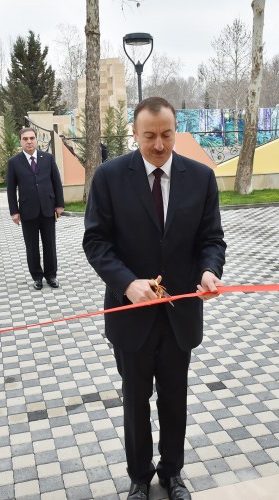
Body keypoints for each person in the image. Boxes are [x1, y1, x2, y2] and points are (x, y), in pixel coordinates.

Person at [83, 97, 226, 500]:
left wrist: (209, 271)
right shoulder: (110, 177)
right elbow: (96, 242)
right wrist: (128, 284)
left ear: (175, 131)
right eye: (149, 136)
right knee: (135, 401)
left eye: (166, 135)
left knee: (174, 399)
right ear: (135, 133)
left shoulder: (200, 178)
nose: (159, 145)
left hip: (181, 313)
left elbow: (211, 240)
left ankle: (173, 472)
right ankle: (140, 477)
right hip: (131, 315)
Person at [6, 127, 65, 290]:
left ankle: (51, 276)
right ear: (21, 141)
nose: (29, 141)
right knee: (32, 247)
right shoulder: (14, 162)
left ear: (36, 140)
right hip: (27, 211)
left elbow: (56, 182)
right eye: (25, 139)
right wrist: (14, 211)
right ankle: (37, 277)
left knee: (50, 245)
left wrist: (59, 204)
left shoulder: (48, 158)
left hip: (48, 209)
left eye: (32, 138)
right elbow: (11, 189)